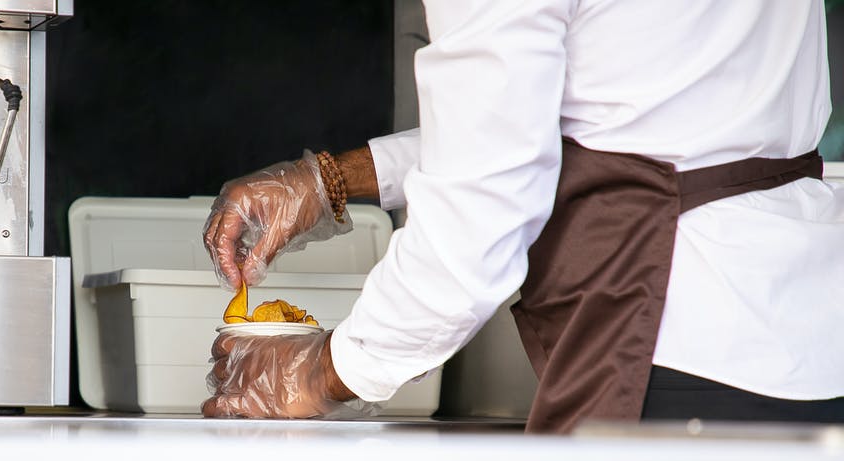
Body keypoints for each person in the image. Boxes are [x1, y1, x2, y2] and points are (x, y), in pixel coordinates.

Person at [201, 0, 844, 432]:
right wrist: (334, 180)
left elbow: (482, 211)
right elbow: (630, 118)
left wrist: (324, 371)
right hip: (813, 347)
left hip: (671, 351)